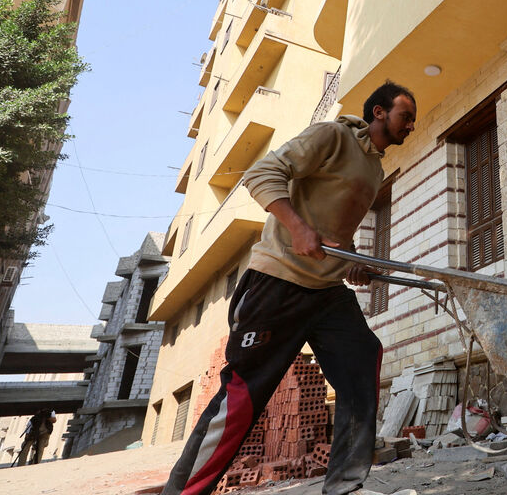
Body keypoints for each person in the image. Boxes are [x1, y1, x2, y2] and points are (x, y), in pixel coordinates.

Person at [161, 81, 418, 495]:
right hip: (278, 281)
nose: (411, 125)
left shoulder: (374, 168)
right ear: (379, 113)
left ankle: (344, 486)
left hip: (326, 291)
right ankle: (184, 493)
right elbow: (260, 172)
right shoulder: (332, 136)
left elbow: (335, 231)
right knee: (244, 395)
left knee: (361, 359)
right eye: (406, 116)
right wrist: (298, 228)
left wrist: (351, 261)